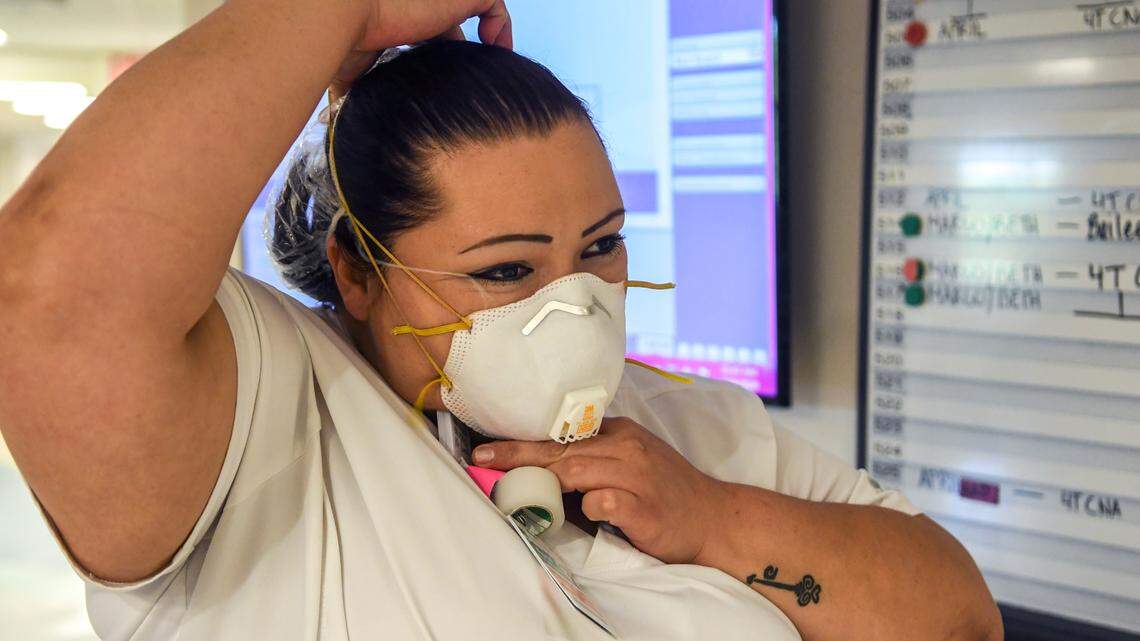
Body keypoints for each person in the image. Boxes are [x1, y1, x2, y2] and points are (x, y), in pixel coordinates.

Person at [0, 1, 1002, 640]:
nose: (576, 304)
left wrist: (713, 517)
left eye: (601, 246)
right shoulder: (269, 419)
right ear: (356, 270)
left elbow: (955, 617)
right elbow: (45, 297)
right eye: (507, 268)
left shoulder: (694, 429)